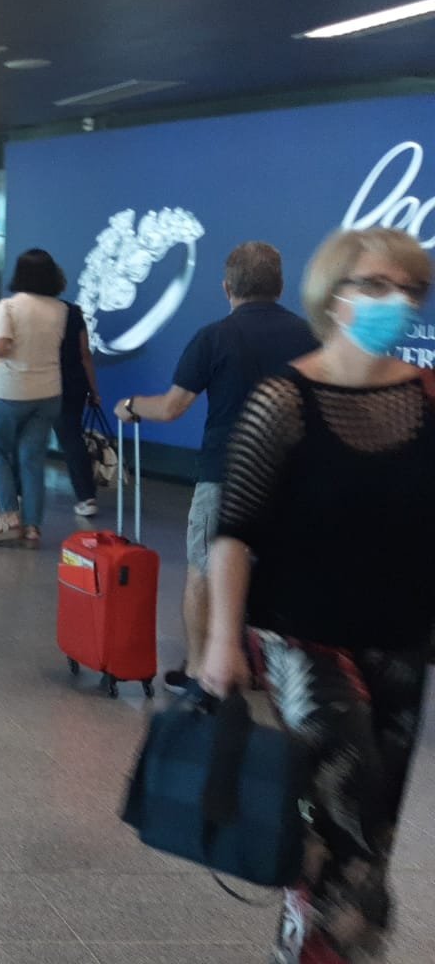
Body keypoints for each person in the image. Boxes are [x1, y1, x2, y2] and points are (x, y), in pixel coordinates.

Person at [198, 227, 432, 964]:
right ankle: (329, 945)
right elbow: (234, 532)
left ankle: (325, 939)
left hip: (400, 640)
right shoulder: (284, 402)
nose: (397, 301)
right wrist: (219, 642)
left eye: (411, 289)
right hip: (305, 643)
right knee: (347, 817)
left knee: (375, 833)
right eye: (376, 285)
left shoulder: (427, 401)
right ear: (332, 296)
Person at [118, 240, 318, 690]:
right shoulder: (310, 336)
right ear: (280, 286)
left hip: (224, 474)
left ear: (227, 287)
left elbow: (172, 407)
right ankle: (273, 672)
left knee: (204, 571)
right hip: (291, 480)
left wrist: (130, 405)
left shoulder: (215, 337)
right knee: (278, 575)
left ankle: (197, 670)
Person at [0, 249, 68, 547]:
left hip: (12, 391)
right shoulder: (59, 308)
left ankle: (10, 517)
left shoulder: (9, 306)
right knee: (32, 459)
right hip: (49, 392)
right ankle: (33, 528)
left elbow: (1, 346)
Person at [52, 297, 102, 515]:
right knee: (72, 437)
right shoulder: (72, 311)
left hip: (40, 381)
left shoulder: (23, 309)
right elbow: (85, 354)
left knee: (24, 434)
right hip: (74, 382)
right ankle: (86, 497)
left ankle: (15, 491)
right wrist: (94, 389)